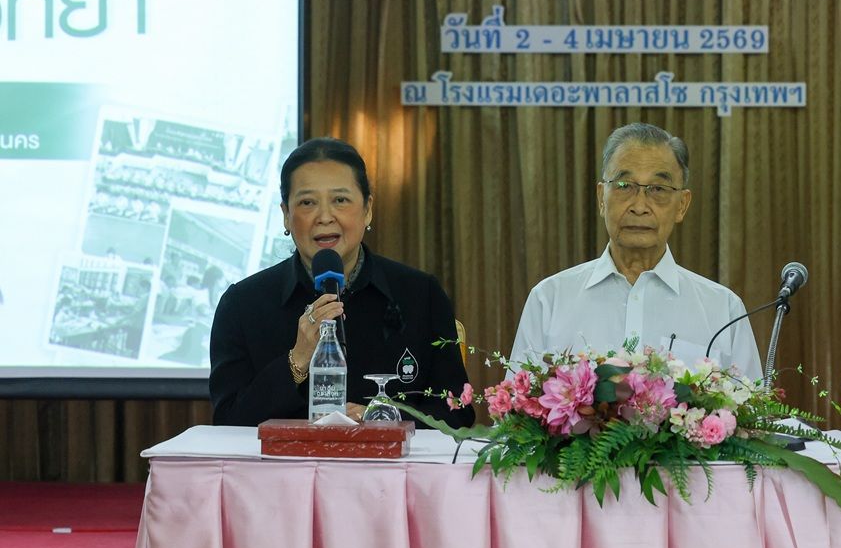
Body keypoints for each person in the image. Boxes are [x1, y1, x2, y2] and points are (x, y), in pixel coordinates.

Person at [209, 138, 475, 427]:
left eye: (340, 200)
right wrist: (296, 361)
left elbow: (457, 413)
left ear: (367, 208)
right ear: (286, 215)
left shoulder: (420, 295)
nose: (324, 217)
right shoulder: (242, 305)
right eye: (307, 203)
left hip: (390, 458)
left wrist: (379, 418)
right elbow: (228, 422)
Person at [510, 123, 763, 379]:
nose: (639, 206)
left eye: (658, 189)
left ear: (682, 205)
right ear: (601, 197)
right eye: (624, 185)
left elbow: (749, 404)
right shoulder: (549, 300)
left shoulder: (722, 310)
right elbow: (517, 402)